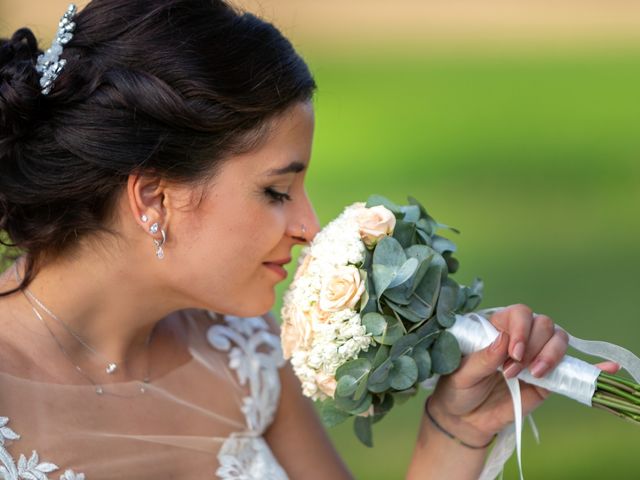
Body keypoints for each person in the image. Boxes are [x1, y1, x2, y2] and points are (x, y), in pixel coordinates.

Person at [0, 1, 618, 479]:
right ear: (153, 198)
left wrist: (455, 430)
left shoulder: (247, 356)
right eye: (276, 191)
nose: (309, 227)